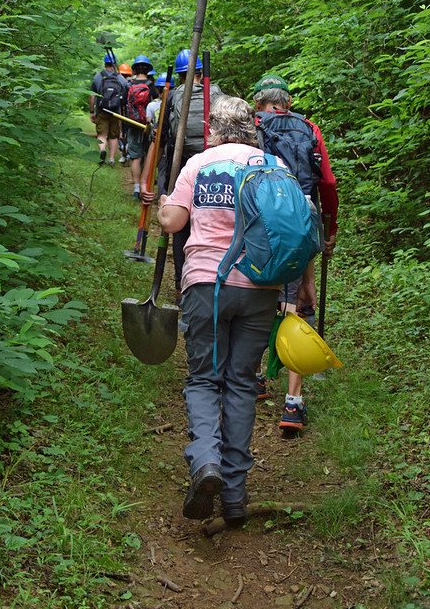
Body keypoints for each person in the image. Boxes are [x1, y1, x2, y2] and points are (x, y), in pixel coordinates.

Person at [157, 95, 315, 525]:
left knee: (205, 380)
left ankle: (205, 462)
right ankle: (233, 496)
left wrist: (161, 205)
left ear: (214, 129)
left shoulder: (200, 164)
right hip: (260, 287)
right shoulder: (273, 167)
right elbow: (299, 225)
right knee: (242, 385)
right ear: (252, 129)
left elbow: (172, 221)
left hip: (207, 285)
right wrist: (301, 284)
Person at [253, 75, 339, 431]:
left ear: (259, 102)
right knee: (299, 299)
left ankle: (255, 376)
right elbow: (328, 183)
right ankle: (293, 403)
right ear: (287, 102)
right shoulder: (309, 128)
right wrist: (329, 227)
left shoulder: (253, 127)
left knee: (261, 293)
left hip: (263, 219)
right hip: (304, 218)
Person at [166, 49, 222, 300]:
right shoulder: (218, 93)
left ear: (180, 77)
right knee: (215, 219)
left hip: (184, 161)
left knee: (181, 224)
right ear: (202, 73)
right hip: (215, 165)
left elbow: (168, 133)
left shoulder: (175, 95)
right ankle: (213, 280)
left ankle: (181, 285)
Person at [126, 55, 158, 200]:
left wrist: (123, 128)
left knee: (135, 157)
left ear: (135, 69)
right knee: (148, 155)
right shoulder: (152, 86)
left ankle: (136, 189)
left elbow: (124, 107)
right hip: (148, 126)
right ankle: (147, 186)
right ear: (148, 69)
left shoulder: (129, 85)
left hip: (132, 125)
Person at [89, 54, 129, 167]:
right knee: (113, 135)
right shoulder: (120, 78)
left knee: (102, 134)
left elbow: (92, 96)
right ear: (115, 64)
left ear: (105, 64)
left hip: (101, 110)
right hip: (116, 112)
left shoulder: (98, 77)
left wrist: (92, 112)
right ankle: (111, 159)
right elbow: (126, 93)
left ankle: (102, 149)